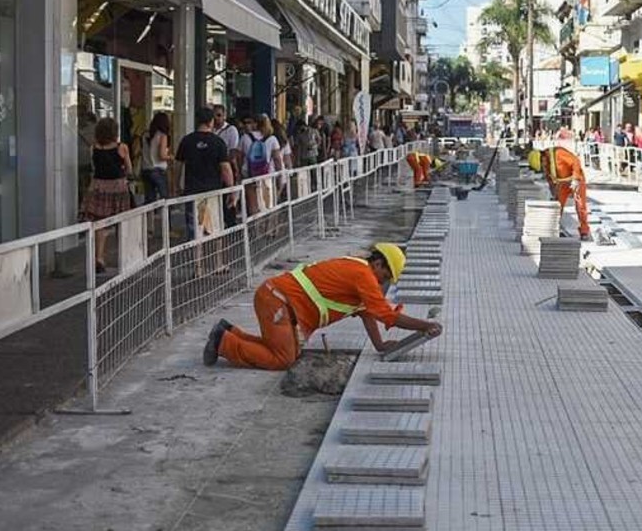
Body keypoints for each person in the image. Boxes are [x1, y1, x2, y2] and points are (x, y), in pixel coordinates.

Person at [205, 243, 443, 370]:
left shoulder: (358, 270)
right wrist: (425, 326)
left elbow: (368, 313)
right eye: (386, 276)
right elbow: (386, 315)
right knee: (282, 359)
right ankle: (223, 343)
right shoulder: (364, 275)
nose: (384, 282)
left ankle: (229, 332)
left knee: (286, 351)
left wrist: (379, 344)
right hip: (277, 301)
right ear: (378, 263)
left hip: (277, 299)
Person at [81, 117, 134, 272]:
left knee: (100, 223)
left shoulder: (94, 148)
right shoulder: (122, 147)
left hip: (98, 187)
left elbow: (94, 168)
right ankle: (123, 256)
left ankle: (99, 258)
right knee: (121, 222)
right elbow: (129, 169)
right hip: (118, 187)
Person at [176, 109, 235, 240]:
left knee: (195, 230)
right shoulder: (218, 142)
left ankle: (197, 254)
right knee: (215, 229)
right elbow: (225, 168)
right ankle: (217, 253)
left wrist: (176, 185)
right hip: (213, 191)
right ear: (211, 122)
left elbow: (178, 166)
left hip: (192, 190)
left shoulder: (186, 141)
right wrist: (231, 190)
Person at [531, 146, 592, 241]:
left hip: (575, 180)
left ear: (542, 156)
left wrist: (575, 178)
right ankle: (554, 228)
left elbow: (575, 161)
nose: (543, 166)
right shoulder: (546, 163)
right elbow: (549, 176)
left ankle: (584, 231)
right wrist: (552, 189)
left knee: (580, 206)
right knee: (557, 206)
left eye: (542, 163)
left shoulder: (558, 153)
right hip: (562, 184)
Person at [140, 112, 172, 203]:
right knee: (164, 199)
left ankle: (150, 213)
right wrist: (170, 157)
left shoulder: (145, 135)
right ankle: (163, 213)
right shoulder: (162, 135)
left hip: (146, 169)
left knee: (149, 200)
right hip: (158, 170)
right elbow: (162, 155)